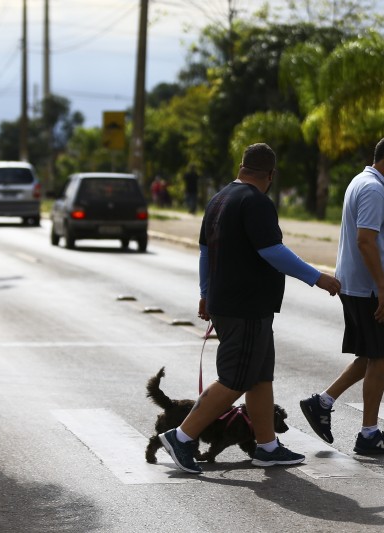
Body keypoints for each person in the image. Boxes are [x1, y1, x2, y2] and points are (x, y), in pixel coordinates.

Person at [159, 143, 341, 474]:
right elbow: (272, 251)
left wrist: (205, 292)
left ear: (242, 167)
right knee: (235, 379)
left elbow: (205, 252)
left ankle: (267, 446)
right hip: (245, 306)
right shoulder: (256, 202)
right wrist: (317, 278)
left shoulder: (219, 199)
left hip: (233, 303)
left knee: (259, 377)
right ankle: (182, 437)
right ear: (270, 175)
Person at [300, 134, 384, 455]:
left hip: (357, 284)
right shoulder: (375, 190)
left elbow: (370, 241)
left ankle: (321, 403)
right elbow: (365, 241)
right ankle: (369, 434)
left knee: (368, 356)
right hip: (366, 290)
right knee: (382, 356)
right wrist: (382, 287)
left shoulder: (362, 182)